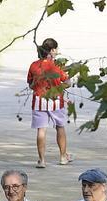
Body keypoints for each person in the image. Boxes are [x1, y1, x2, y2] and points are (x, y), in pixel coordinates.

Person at [27, 37, 72, 169]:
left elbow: (30, 85)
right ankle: (63, 157)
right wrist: (59, 88)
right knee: (60, 127)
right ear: (52, 50)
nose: (57, 51)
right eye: (56, 49)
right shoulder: (57, 66)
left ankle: (42, 160)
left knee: (41, 130)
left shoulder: (34, 65)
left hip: (39, 101)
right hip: (56, 100)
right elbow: (68, 83)